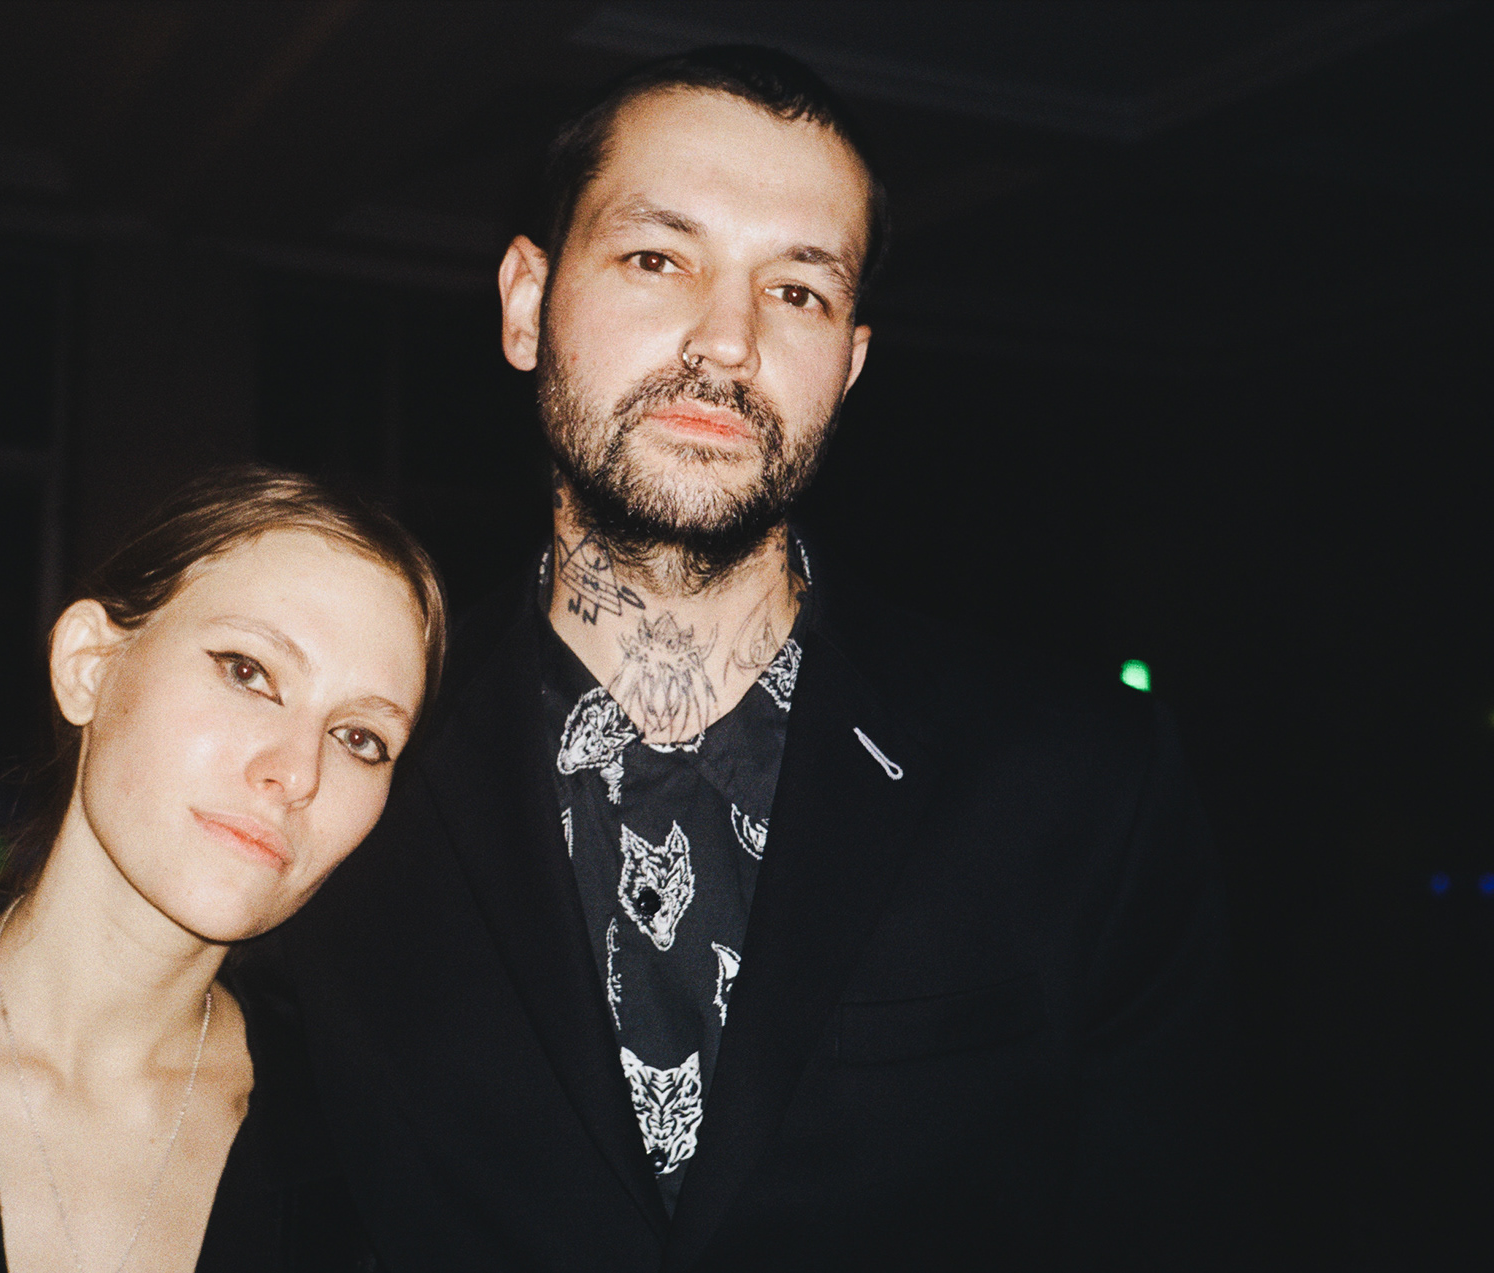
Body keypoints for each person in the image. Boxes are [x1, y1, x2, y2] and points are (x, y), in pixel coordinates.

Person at [258, 46, 1239, 1269]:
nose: (726, 343)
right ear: (526, 302)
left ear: (850, 364)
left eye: (798, 291)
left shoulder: (1082, 785)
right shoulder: (350, 771)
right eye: (657, 258)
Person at [0, 465, 444, 1271]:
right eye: (248, 671)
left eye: (361, 738)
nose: (298, 773)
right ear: (89, 664)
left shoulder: (382, 1165)